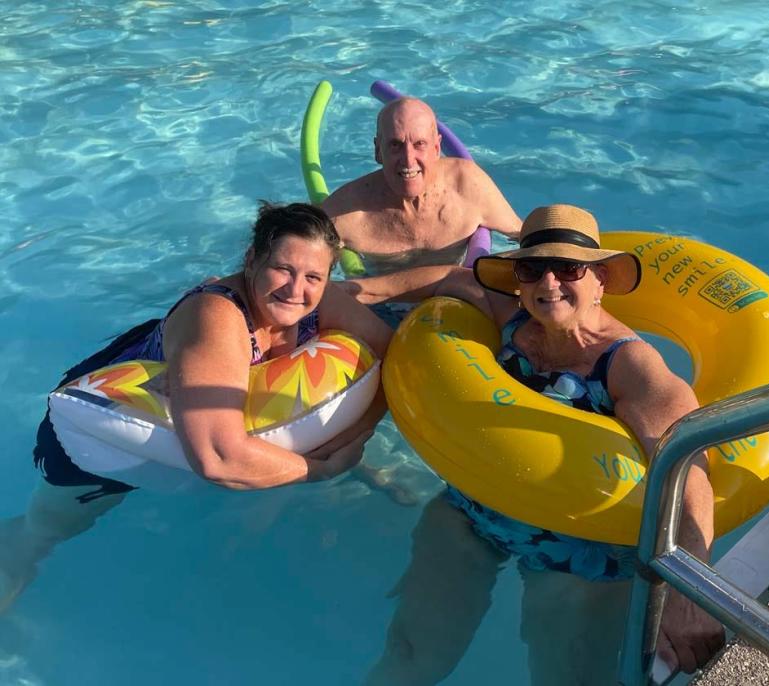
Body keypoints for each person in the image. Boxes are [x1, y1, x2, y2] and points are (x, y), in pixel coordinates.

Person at [358, 205, 725, 685]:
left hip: (581, 552)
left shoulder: (627, 364)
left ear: (600, 280)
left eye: (569, 268)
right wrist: (352, 291)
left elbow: (685, 461)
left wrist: (687, 588)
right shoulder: (511, 318)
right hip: (477, 511)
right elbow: (450, 277)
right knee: (410, 653)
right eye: (532, 268)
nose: (549, 282)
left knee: (565, 676)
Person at [0, 201, 393, 612]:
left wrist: (353, 438)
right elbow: (218, 456)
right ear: (252, 260)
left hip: (193, 430)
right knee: (42, 537)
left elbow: (388, 358)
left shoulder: (318, 298)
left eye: (313, 275)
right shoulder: (218, 319)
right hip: (99, 435)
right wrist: (324, 467)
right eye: (283, 269)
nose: (297, 289)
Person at [321, 97, 522, 319]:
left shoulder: (468, 186)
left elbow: (528, 238)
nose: (408, 160)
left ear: (437, 148)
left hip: (460, 303)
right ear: (378, 150)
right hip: (384, 311)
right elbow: (298, 264)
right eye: (395, 145)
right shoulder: (347, 211)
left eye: (419, 144)